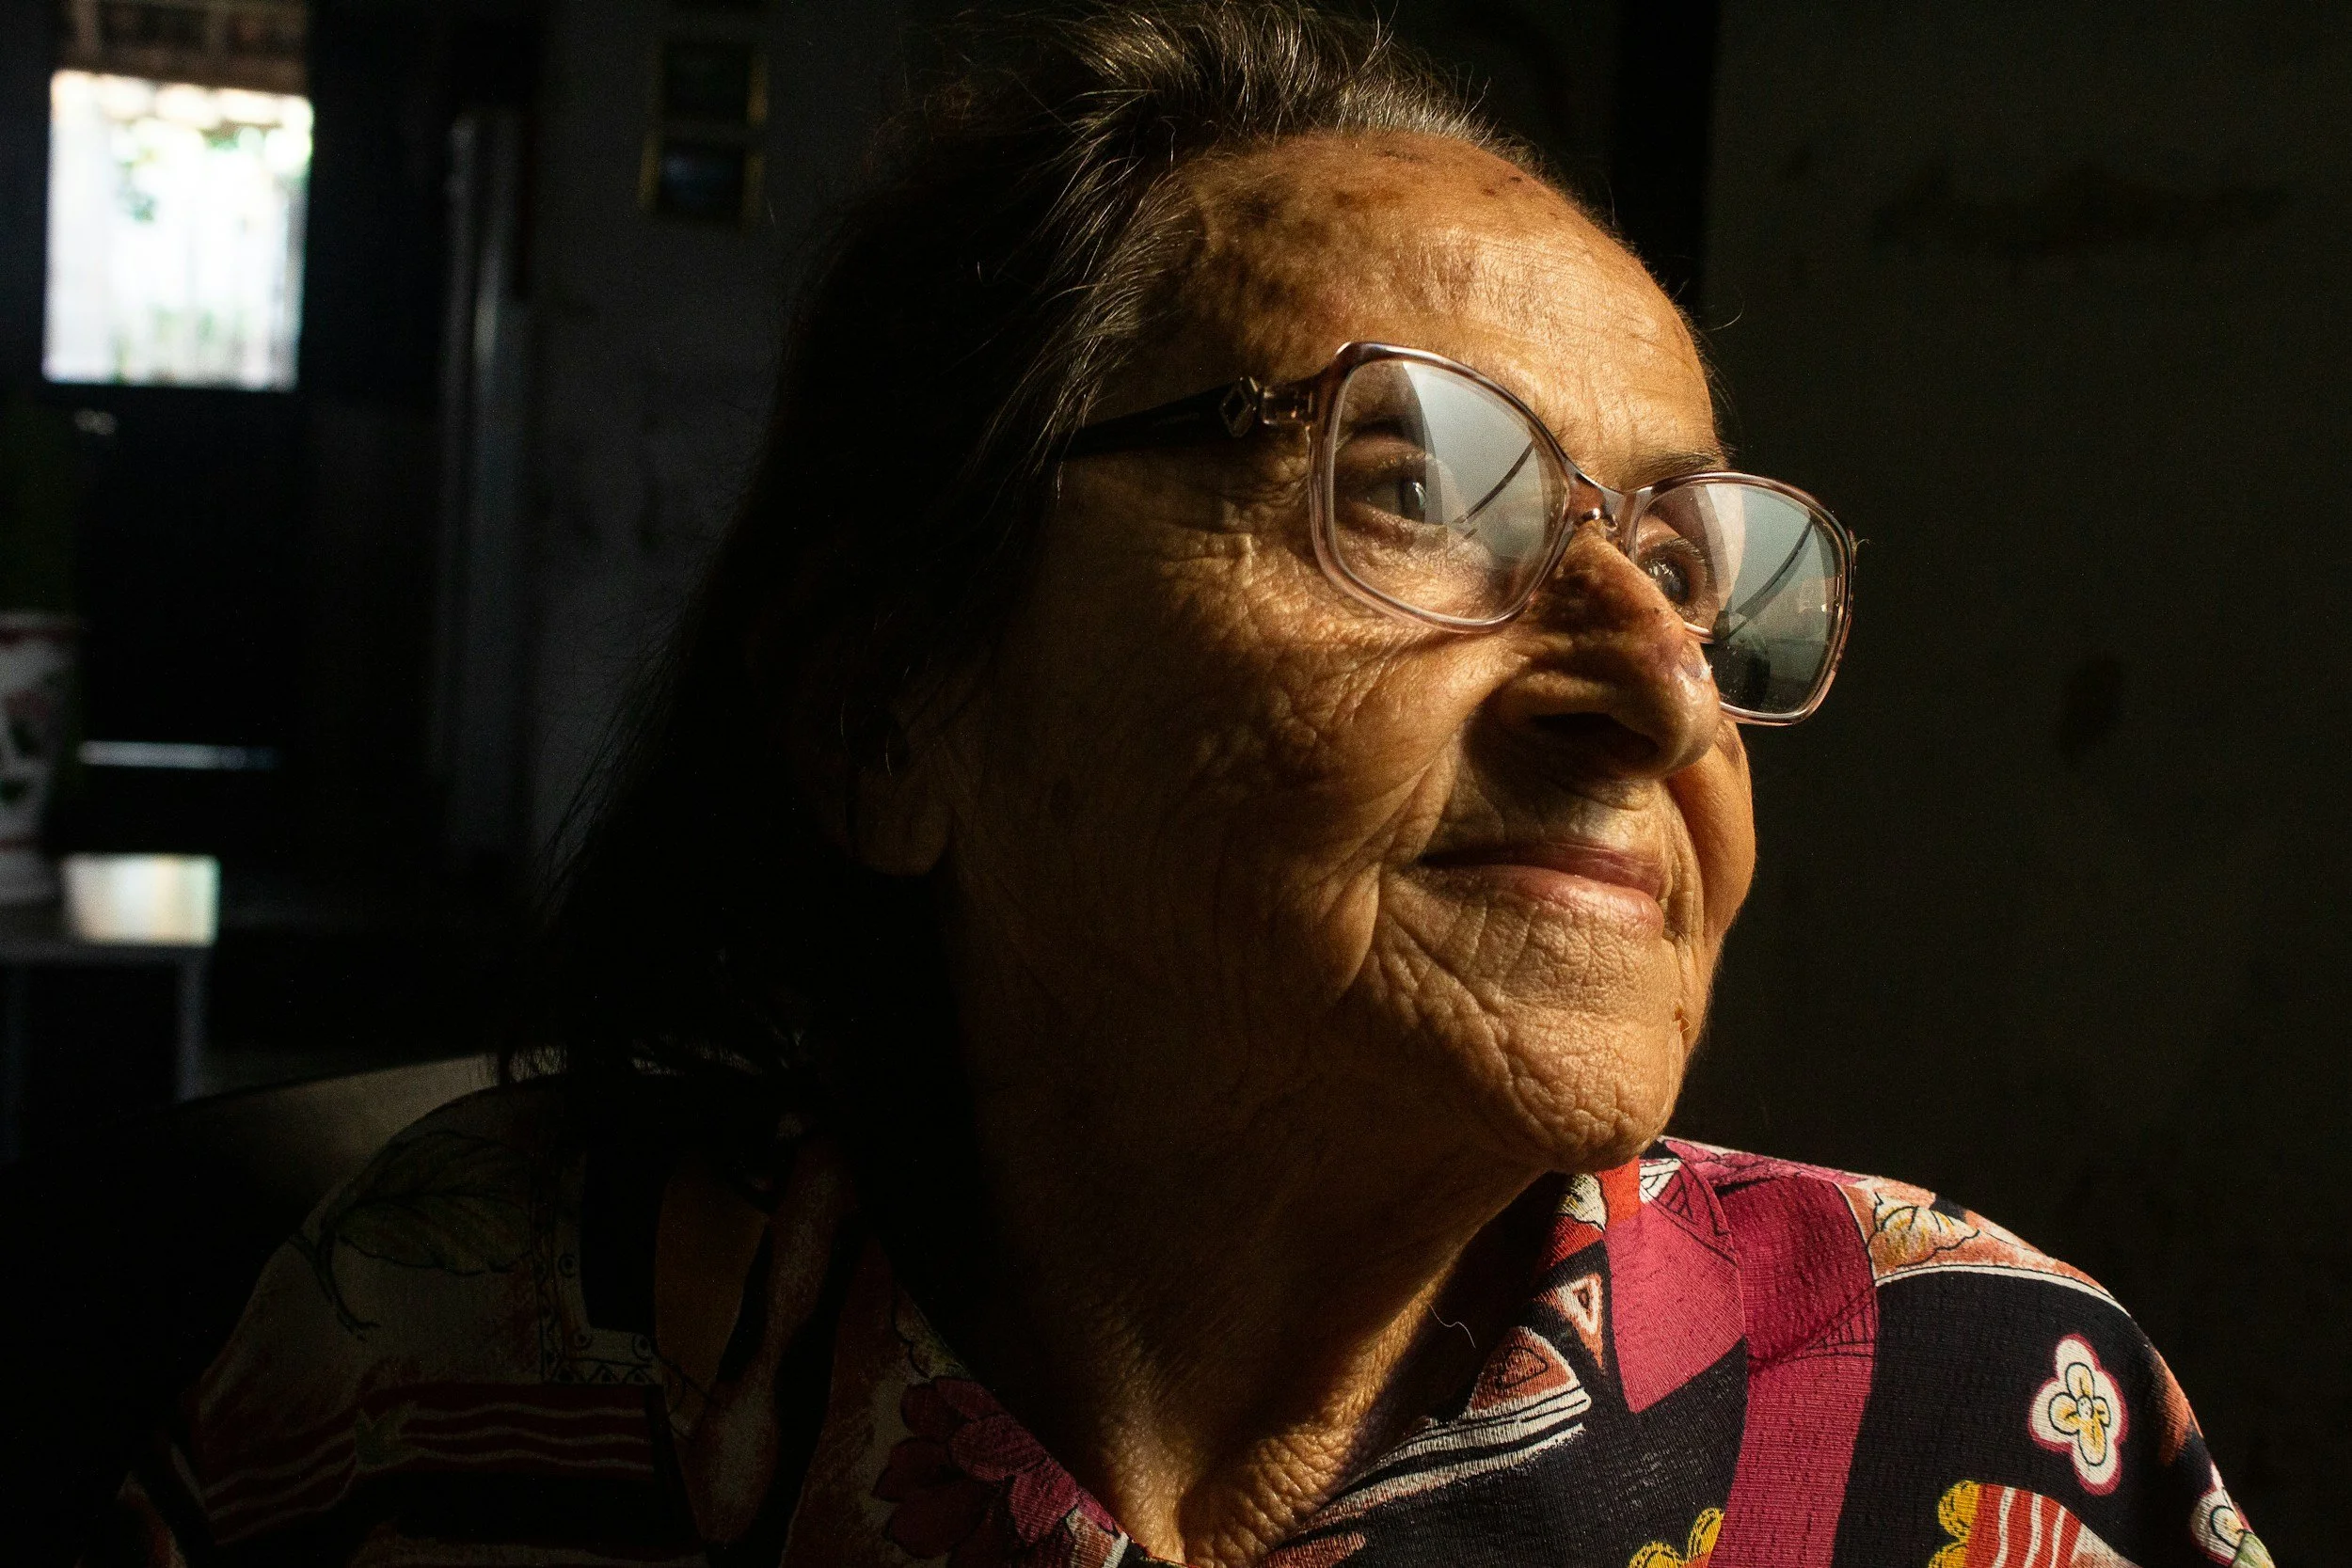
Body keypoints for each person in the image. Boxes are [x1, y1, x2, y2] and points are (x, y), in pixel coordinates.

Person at [89, 5, 2267, 1565]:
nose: (1658, 688)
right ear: (889, 712)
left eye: (1701, 573)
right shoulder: (475, 1340)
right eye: (1413, 486)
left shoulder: (1965, 1423)